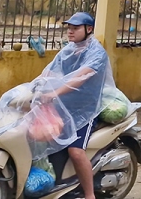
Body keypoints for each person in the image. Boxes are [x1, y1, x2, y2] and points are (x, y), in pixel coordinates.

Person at [36, 12, 112, 199]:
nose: (70, 32)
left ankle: (89, 194)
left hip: (85, 110)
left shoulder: (97, 52)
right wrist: (36, 86)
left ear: (89, 29)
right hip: (62, 107)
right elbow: (51, 70)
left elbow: (80, 77)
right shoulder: (69, 49)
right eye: (69, 28)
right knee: (39, 139)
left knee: (75, 151)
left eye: (75, 28)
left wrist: (54, 93)